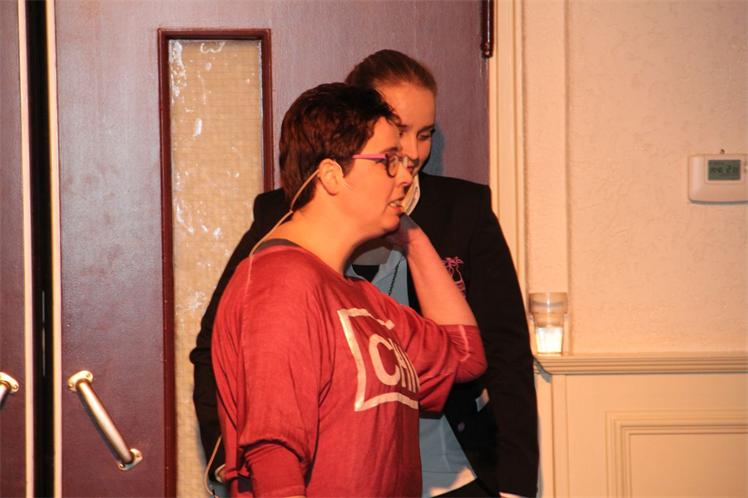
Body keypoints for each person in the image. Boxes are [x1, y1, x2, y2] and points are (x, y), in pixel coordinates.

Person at [191, 50, 539, 497]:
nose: (407, 168)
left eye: (422, 137)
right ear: (333, 175)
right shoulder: (282, 283)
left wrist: (411, 235)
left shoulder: (358, 294)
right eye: (388, 156)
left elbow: (467, 358)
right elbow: (274, 451)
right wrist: (227, 463)